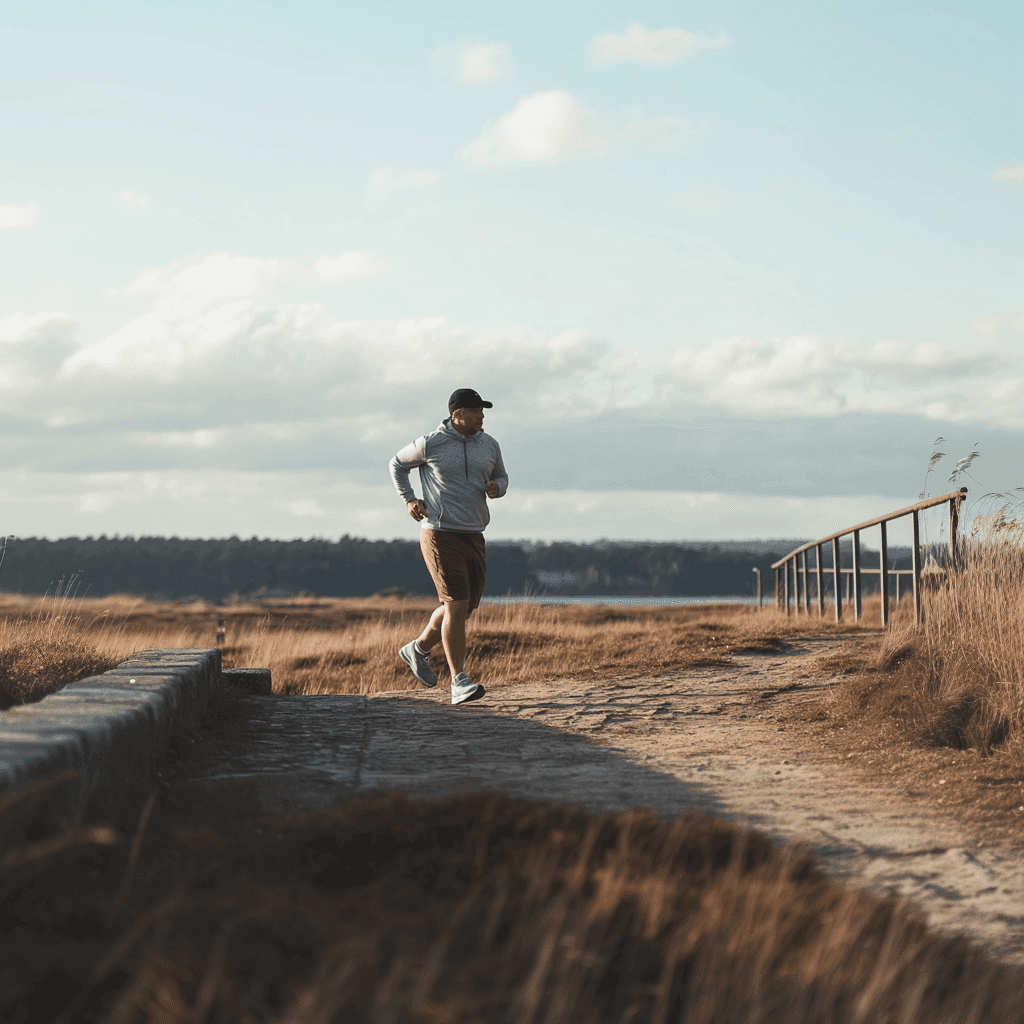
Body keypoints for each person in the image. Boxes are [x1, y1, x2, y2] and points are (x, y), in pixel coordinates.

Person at [389, 388, 508, 705]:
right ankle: (459, 682)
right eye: (476, 411)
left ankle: (417, 649)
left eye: (483, 410)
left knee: (464, 608)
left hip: (474, 533)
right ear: (458, 414)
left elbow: (503, 477)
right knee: (456, 603)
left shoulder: (490, 445)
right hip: (439, 533)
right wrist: (409, 499)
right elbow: (397, 464)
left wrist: (497, 487)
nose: (482, 416)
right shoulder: (431, 443)